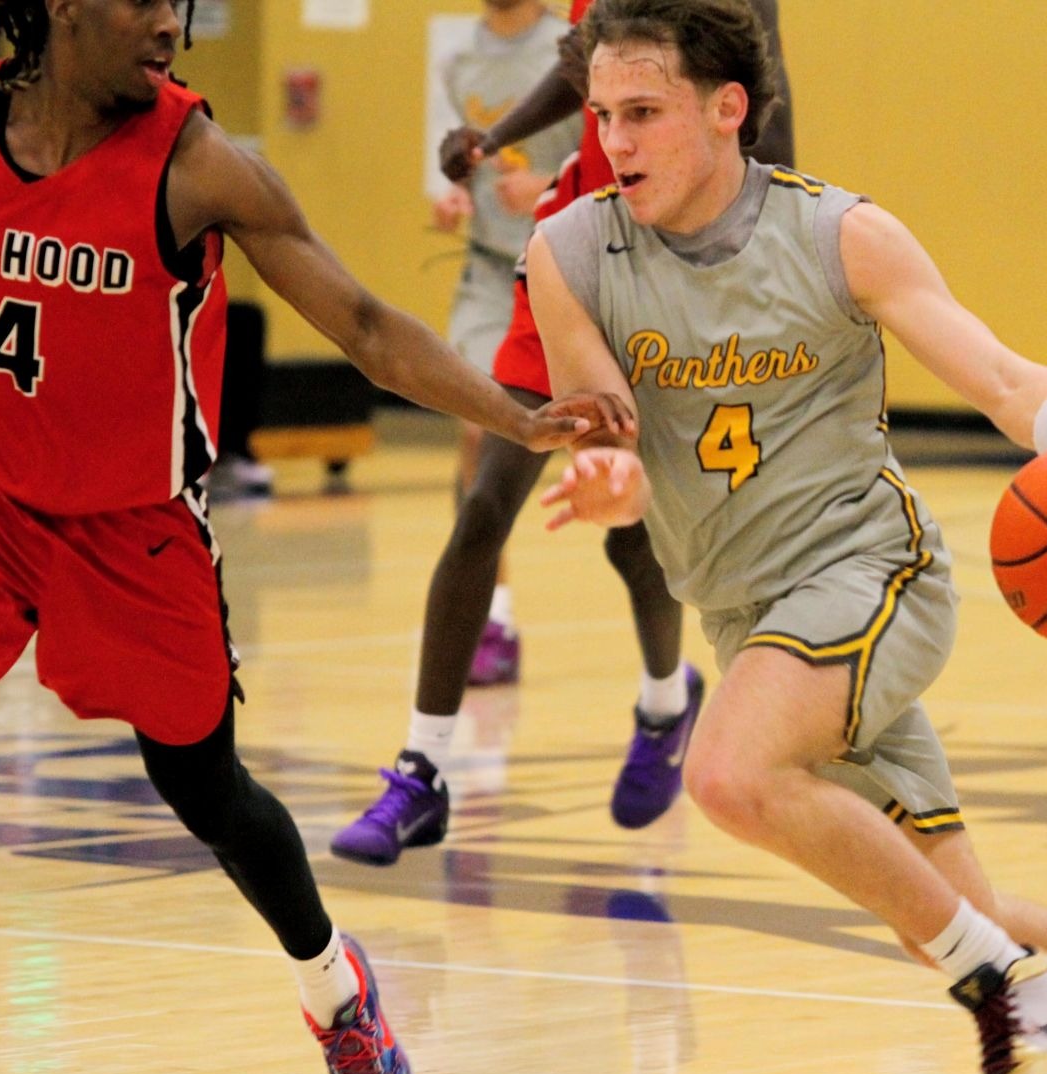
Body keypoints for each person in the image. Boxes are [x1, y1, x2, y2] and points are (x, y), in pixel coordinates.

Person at [0, 2, 610, 1074]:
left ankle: (332, 984)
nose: (171, 22)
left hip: (134, 527)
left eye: (180, 1)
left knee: (209, 793)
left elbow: (361, 327)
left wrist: (518, 415)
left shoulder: (202, 165)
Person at [532, 1, 1047, 1074]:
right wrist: (611, 483)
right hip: (743, 613)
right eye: (601, 112)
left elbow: (994, 374)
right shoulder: (568, 250)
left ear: (726, 110)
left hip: (868, 572)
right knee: (949, 910)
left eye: (644, 113)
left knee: (726, 775)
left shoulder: (837, 233)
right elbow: (605, 430)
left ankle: (1004, 989)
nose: (613, 142)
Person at [329, 0, 792, 866]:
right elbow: (582, 63)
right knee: (483, 505)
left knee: (635, 529)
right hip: (576, 252)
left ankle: (664, 703)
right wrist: (492, 132)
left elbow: (773, 126)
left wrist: (749, 282)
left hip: (677, 271)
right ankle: (421, 768)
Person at [428, 0, 583, 683]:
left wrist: (550, 185)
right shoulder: (460, 57)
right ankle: (494, 617)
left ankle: (667, 674)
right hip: (493, 272)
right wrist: (455, 196)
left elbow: (616, 155)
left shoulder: (572, 47)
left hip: (579, 266)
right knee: (477, 428)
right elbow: (461, 162)